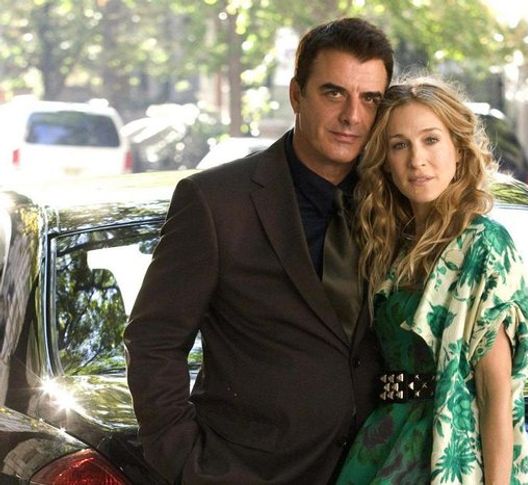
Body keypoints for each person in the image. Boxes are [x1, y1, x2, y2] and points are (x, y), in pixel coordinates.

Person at [124, 18, 393, 484]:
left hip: (379, 470)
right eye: (334, 93)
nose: (353, 116)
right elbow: (153, 342)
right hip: (248, 473)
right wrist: (189, 465)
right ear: (296, 95)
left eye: (370, 98)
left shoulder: (396, 201)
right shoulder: (215, 202)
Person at [336, 78, 528, 484]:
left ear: (458, 150)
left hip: (452, 455)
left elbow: (494, 392)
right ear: (385, 161)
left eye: (431, 140)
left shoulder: (484, 246)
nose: (417, 160)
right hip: (383, 446)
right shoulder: (386, 245)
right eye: (400, 145)